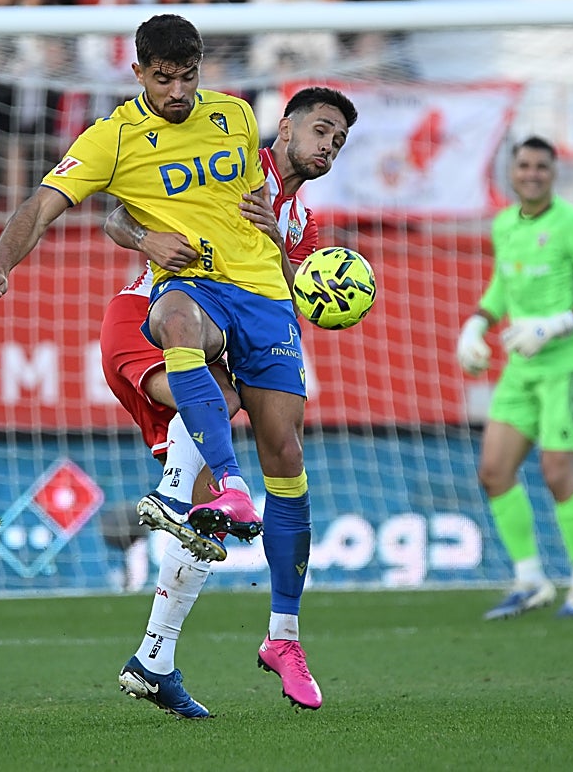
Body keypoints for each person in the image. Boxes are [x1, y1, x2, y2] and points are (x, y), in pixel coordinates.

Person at [0, 14, 320, 717]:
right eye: (165, 78)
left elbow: (256, 208)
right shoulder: (114, 136)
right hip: (160, 314)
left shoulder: (237, 119)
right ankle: (204, 490)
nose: (180, 91)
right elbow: (61, 207)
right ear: (138, 72)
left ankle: (164, 653)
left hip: (255, 307)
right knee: (198, 369)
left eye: (190, 76)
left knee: (264, 461)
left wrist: (288, 243)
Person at [100, 85, 357, 713]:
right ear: (285, 127)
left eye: (340, 141)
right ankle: (173, 494)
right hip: (150, 319)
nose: (329, 146)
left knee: (236, 494)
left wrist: (287, 257)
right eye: (321, 130)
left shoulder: (303, 224)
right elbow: (118, 214)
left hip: (218, 341)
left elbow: (290, 301)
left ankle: (156, 657)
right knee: (216, 392)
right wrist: (144, 241)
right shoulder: (232, 156)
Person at [456, 135, 573, 621]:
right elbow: (501, 286)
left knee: (556, 472)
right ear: (512, 172)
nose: (532, 173)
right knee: (493, 471)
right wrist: (477, 322)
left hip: (568, 364)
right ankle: (530, 580)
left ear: (553, 174)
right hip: (521, 366)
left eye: (541, 167)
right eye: (524, 165)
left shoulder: (572, 224)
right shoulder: (505, 223)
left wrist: (553, 325)